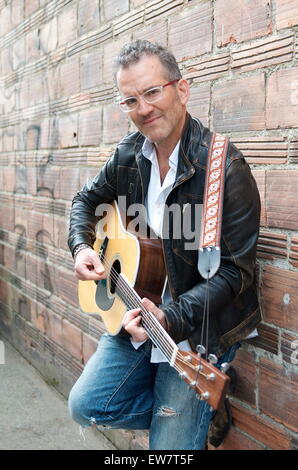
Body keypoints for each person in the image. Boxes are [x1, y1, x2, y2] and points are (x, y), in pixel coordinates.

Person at [67, 40, 261, 450]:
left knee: (168, 449)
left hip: (196, 333)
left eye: (153, 91)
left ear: (182, 90)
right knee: (85, 405)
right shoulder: (128, 154)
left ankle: (195, 408)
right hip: (138, 313)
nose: (144, 108)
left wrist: (171, 317)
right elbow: (85, 200)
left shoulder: (225, 168)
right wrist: (82, 247)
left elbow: (235, 274)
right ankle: (188, 415)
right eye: (131, 99)